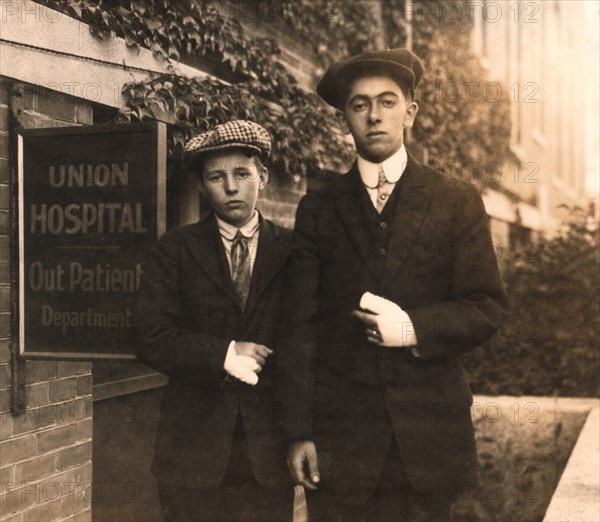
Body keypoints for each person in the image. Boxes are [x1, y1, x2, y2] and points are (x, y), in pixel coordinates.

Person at [277, 49, 509, 521]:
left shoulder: (455, 200)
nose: (374, 115)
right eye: (359, 105)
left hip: (429, 443)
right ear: (346, 118)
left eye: (387, 101)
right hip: (342, 444)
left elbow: (485, 306)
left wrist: (412, 329)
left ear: (410, 112)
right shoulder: (318, 208)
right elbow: (297, 327)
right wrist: (298, 431)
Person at [135, 120, 293, 522]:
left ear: (264, 177)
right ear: (203, 187)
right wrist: (223, 352)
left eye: (242, 174)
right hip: (192, 452)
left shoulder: (294, 250)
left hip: (268, 454)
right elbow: (148, 335)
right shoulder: (175, 249)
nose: (231, 187)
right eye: (216, 177)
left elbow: (312, 340)